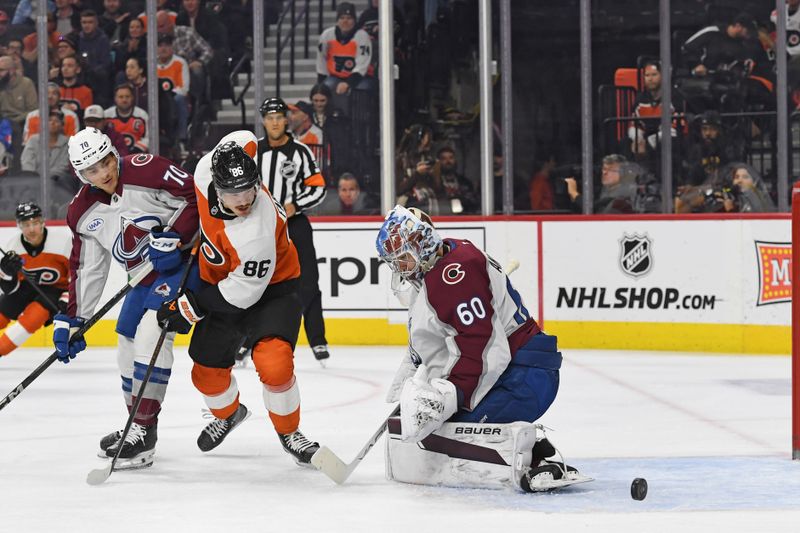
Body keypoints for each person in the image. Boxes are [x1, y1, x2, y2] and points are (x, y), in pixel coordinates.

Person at [376, 206, 584, 492]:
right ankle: (527, 446)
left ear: (422, 243)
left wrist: (448, 396)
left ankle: (528, 458)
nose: (400, 267)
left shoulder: (455, 274)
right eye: (395, 261)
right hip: (514, 374)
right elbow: (428, 344)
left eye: (403, 257)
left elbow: (486, 349)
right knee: (432, 427)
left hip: (524, 378)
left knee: (448, 431)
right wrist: (408, 386)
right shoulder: (436, 270)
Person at [156, 132, 321, 466]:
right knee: (204, 371)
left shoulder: (256, 231)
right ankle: (229, 414)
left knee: (274, 363)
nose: (244, 198)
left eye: (249, 188)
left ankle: (290, 431)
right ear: (217, 185)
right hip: (223, 284)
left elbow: (241, 295)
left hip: (274, 289)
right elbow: (244, 137)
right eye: (233, 191)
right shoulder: (205, 173)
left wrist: (188, 307)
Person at [54, 127, 199, 470]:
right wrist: (75, 318)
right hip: (143, 278)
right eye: (92, 170)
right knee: (127, 341)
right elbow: (88, 268)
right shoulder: (81, 212)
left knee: (152, 335)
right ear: (80, 174)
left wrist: (176, 237)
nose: (103, 173)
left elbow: (197, 196)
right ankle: (141, 430)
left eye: (105, 162)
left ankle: (142, 426)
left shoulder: (147, 169)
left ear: (113, 153)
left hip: (184, 262)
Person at [257, 97, 330, 363]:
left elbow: (318, 187)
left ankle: (317, 340)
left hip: (295, 225)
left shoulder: (301, 152)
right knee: (256, 281)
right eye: (270, 117)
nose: (275, 122)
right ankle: (246, 340)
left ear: (286, 119)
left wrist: (295, 205)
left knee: (308, 281)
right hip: (262, 226)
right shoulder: (254, 152)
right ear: (264, 121)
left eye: (279, 117)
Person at [0, 202, 70, 357]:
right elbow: (10, 290)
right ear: (19, 225)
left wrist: (67, 300)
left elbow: (78, 277)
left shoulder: (63, 243)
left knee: (34, 316)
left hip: (55, 291)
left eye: (35, 223)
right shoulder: (13, 247)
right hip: (26, 287)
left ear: (43, 221)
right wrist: (7, 273)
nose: (31, 229)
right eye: (26, 224)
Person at [316, 2, 373, 115]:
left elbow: (362, 65)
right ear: (337, 20)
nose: (345, 21)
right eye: (342, 18)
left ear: (354, 20)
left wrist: (348, 83)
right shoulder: (326, 35)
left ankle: (358, 125)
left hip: (360, 77)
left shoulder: (362, 36)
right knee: (324, 91)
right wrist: (320, 85)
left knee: (361, 92)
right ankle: (328, 121)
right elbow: (321, 60)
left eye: (349, 18)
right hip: (335, 76)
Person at [20, 109, 72, 181]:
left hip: (57, 182)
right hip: (32, 180)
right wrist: (34, 177)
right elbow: (26, 162)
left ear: (62, 126)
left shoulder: (68, 143)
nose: (52, 123)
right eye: (49, 120)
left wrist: (45, 178)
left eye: (57, 121)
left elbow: (64, 166)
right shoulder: (33, 140)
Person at [105, 83, 149, 153]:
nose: (124, 100)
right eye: (121, 97)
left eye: (127, 96)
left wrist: (136, 150)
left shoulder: (142, 115)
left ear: (132, 98)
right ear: (115, 99)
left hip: (137, 156)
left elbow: (148, 137)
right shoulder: (107, 115)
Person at [435, 146, 478, 215]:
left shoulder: (464, 182)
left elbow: (472, 203)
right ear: (438, 161)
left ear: (455, 160)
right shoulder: (433, 182)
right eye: (444, 158)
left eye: (451, 158)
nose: (448, 161)